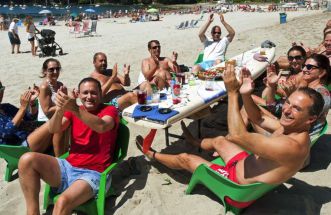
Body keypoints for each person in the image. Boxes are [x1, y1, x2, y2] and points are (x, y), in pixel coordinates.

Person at [136, 64, 323, 209]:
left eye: (296, 109)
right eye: (288, 103)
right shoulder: (294, 129)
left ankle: (151, 154)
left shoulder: (291, 146)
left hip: (236, 187)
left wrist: (232, 92)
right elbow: (257, 117)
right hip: (246, 165)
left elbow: (237, 135)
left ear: (311, 119)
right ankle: (194, 141)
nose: (287, 111)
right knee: (219, 140)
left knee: (187, 159)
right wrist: (246, 95)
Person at [18, 77, 119, 215]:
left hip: (93, 173)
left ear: (100, 94)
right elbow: (54, 129)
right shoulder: (74, 111)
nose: (89, 96)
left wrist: (75, 108)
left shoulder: (109, 110)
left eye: (93, 93)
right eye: (85, 93)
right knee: (26, 160)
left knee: (62, 202)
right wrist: (60, 110)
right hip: (68, 166)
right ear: (79, 94)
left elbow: (102, 126)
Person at [0, 81, 55, 152]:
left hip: (29, 139)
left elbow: (30, 118)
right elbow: (7, 132)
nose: (1, 93)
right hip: (17, 149)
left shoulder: (7, 107)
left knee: (60, 123)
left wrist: (32, 103)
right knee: (54, 123)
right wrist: (23, 107)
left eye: (1, 90)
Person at [38, 58, 67, 156]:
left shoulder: (60, 84)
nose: (55, 72)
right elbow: (47, 111)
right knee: (62, 123)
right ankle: (60, 157)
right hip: (45, 121)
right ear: (45, 71)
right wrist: (64, 104)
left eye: (57, 69)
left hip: (56, 117)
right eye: (51, 69)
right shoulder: (44, 87)